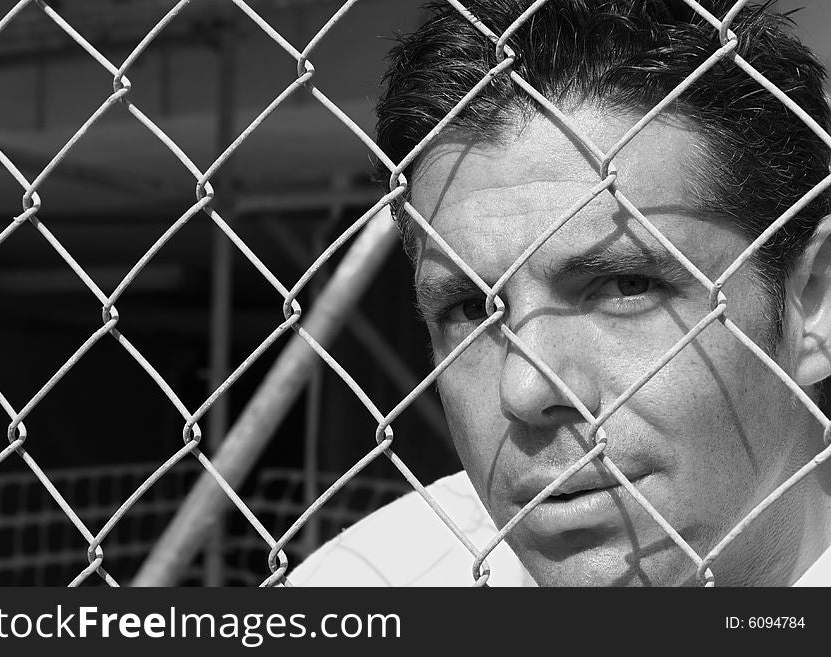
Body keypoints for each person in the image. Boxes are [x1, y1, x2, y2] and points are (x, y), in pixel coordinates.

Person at [290, 0, 831, 586]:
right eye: (473, 309)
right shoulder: (373, 580)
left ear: (815, 302)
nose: (524, 389)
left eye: (626, 287)